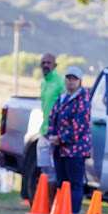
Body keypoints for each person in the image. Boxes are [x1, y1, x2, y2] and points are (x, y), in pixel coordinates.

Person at [47, 65, 91, 214]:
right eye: (68, 78)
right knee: (61, 183)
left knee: (75, 184)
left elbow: (80, 127)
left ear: (80, 81)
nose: (71, 82)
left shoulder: (83, 100)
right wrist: (50, 135)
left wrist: (61, 138)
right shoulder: (61, 98)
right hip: (59, 149)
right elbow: (52, 118)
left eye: (74, 79)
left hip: (75, 150)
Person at [37, 53, 64, 205]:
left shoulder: (60, 81)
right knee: (44, 170)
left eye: (48, 62)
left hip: (55, 133)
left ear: (55, 64)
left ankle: (54, 205)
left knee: (55, 172)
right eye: (43, 63)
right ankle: (45, 205)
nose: (45, 65)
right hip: (43, 131)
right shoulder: (43, 83)